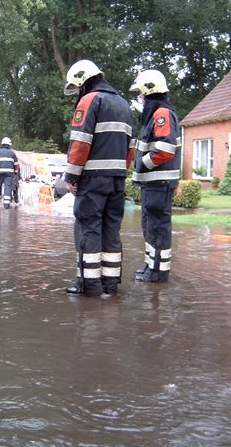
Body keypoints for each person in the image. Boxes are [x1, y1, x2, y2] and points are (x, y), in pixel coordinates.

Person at [62, 59, 134, 296]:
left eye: (76, 87)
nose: (77, 93)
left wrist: (72, 177)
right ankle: (110, 285)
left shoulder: (90, 100)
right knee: (111, 230)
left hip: (93, 180)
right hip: (117, 180)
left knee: (88, 229)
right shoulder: (124, 104)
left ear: (82, 81)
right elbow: (131, 147)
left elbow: (80, 143)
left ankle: (89, 285)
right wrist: (120, 171)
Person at [129, 69, 181, 283]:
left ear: (149, 91)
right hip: (153, 183)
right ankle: (151, 266)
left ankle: (158, 272)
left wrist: (142, 164)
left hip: (159, 182)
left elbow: (165, 149)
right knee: (150, 226)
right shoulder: (155, 115)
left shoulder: (162, 114)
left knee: (158, 227)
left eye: (141, 93)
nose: (140, 98)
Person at [0, 137, 19, 209]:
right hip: (9, 173)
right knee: (8, 187)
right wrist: (16, 172)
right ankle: (6, 205)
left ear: (2, 144)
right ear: (9, 144)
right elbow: (16, 164)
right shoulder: (12, 152)